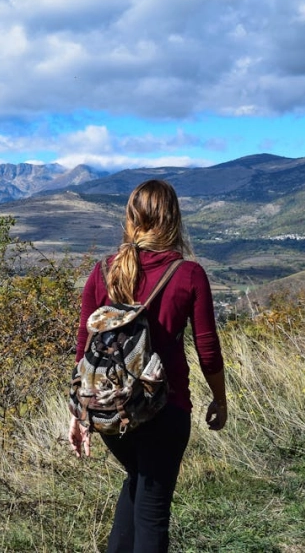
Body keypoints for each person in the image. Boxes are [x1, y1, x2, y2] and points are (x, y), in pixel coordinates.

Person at [69, 179, 227, 553]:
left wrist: (79, 412)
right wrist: (220, 400)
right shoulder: (187, 274)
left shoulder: (104, 270)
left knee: (138, 485)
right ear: (173, 219)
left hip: (110, 410)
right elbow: (208, 348)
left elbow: (84, 344)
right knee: (153, 515)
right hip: (164, 409)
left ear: (131, 217)